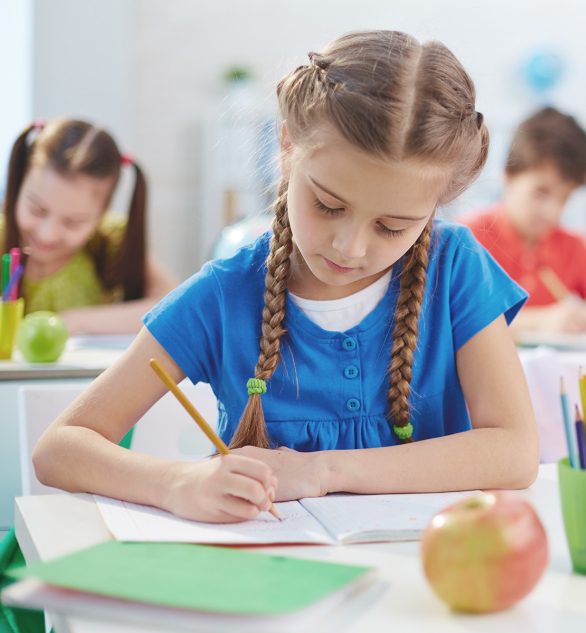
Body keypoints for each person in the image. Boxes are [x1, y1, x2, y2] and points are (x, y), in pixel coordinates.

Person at [33, 30, 539, 523]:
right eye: (327, 205)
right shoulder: (224, 295)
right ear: (287, 146)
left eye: (392, 227)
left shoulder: (456, 270)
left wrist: (321, 470)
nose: (350, 247)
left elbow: (514, 452)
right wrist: (175, 483)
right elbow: (59, 447)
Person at [460, 107, 586, 335]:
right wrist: (539, 322)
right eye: (541, 192)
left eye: (565, 197)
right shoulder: (467, 238)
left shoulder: (572, 246)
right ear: (508, 175)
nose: (553, 212)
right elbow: (460, 320)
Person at [2, 118, 177, 334]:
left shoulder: (111, 238)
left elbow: (176, 307)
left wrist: (72, 322)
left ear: (103, 213)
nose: (48, 234)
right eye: (37, 210)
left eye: (73, 222)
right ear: (18, 185)